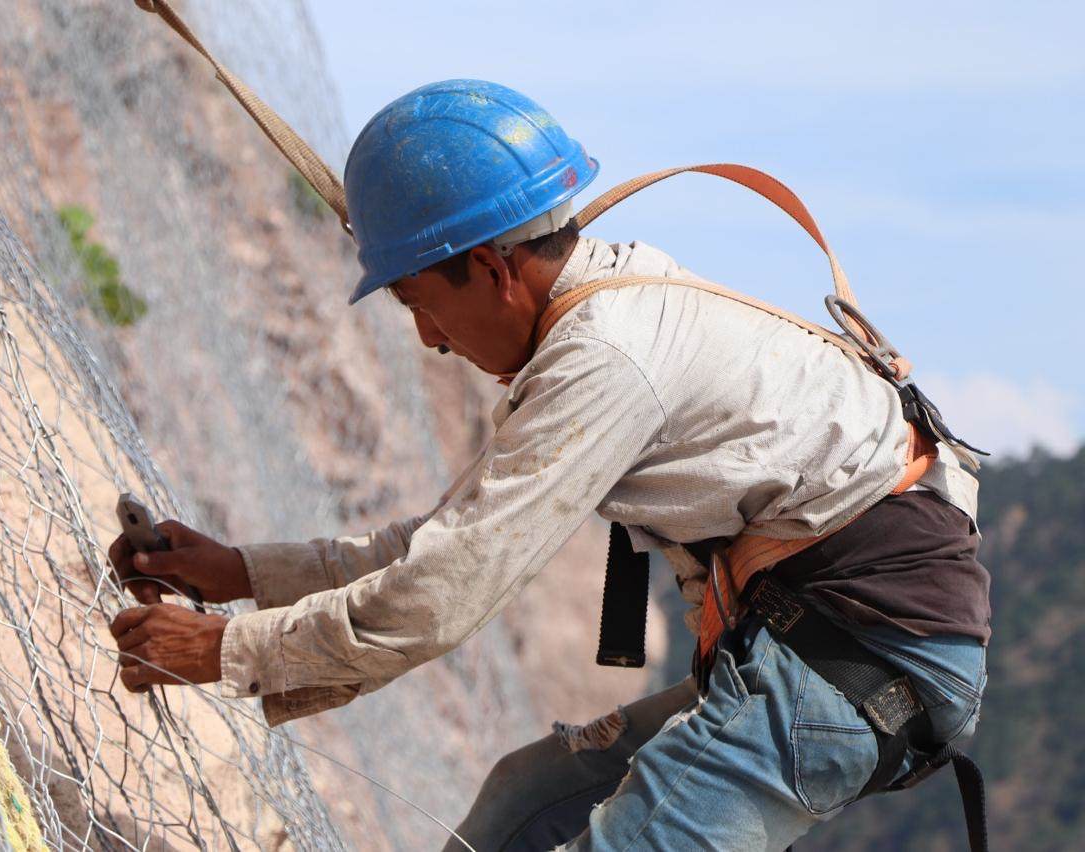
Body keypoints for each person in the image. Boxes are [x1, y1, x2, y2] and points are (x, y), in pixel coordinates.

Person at [108, 79, 989, 850]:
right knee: (527, 801)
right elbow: (445, 544)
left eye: (421, 304)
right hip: (821, 646)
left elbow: (441, 590)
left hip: (856, 667)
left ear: (491, 269)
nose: (430, 341)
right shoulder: (599, 321)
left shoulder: (606, 360)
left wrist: (233, 650)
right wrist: (243, 575)